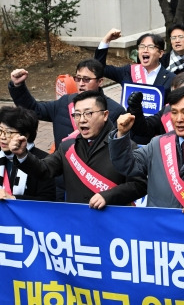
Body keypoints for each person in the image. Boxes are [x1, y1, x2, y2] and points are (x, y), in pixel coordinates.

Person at [10, 91, 144, 205]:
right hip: (76, 226)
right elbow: (44, 170)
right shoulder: (68, 146)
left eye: (88, 113)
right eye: (77, 114)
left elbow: (140, 184)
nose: (82, 120)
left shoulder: (125, 146)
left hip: (113, 225)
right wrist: (23, 155)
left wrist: (108, 196)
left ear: (105, 115)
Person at [8, 58, 125, 149]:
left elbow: (116, 150)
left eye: (86, 79)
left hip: (92, 175)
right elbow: (34, 109)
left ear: (100, 81)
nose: (81, 84)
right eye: (78, 78)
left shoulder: (115, 111)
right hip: (61, 172)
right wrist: (18, 86)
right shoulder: (64, 102)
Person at [94, 29, 175, 99]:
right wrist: (106, 40)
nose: (145, 50)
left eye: (150, 47)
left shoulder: (171, 79)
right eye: (142, 46)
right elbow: (99, 68)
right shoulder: (128, 71)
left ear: (160, 53)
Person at [0, 106, 54, 201]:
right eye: (0, 131)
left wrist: (13, 199)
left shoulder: (44, 161)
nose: (2, 137)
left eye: (8, 132)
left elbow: (47, 200)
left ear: (25, 135)